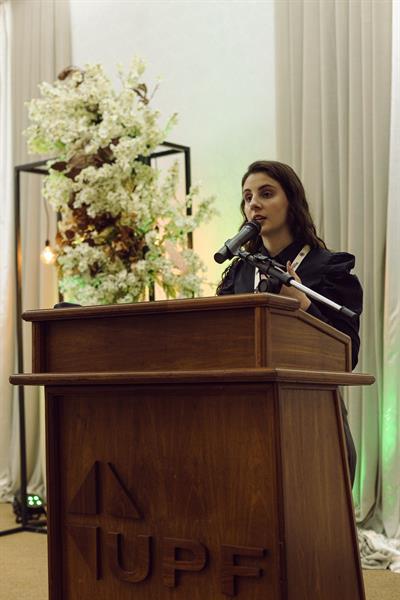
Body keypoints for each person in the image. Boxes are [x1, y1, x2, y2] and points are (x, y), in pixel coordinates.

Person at [217, 160, 362, 487]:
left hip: (312, 415)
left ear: (292, 202)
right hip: (245, 417)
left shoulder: (330, 267)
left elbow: (347, 355)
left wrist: (303, 304)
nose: (254, 204)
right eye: (248, 197)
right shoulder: (239, 271)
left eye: (266, 194)